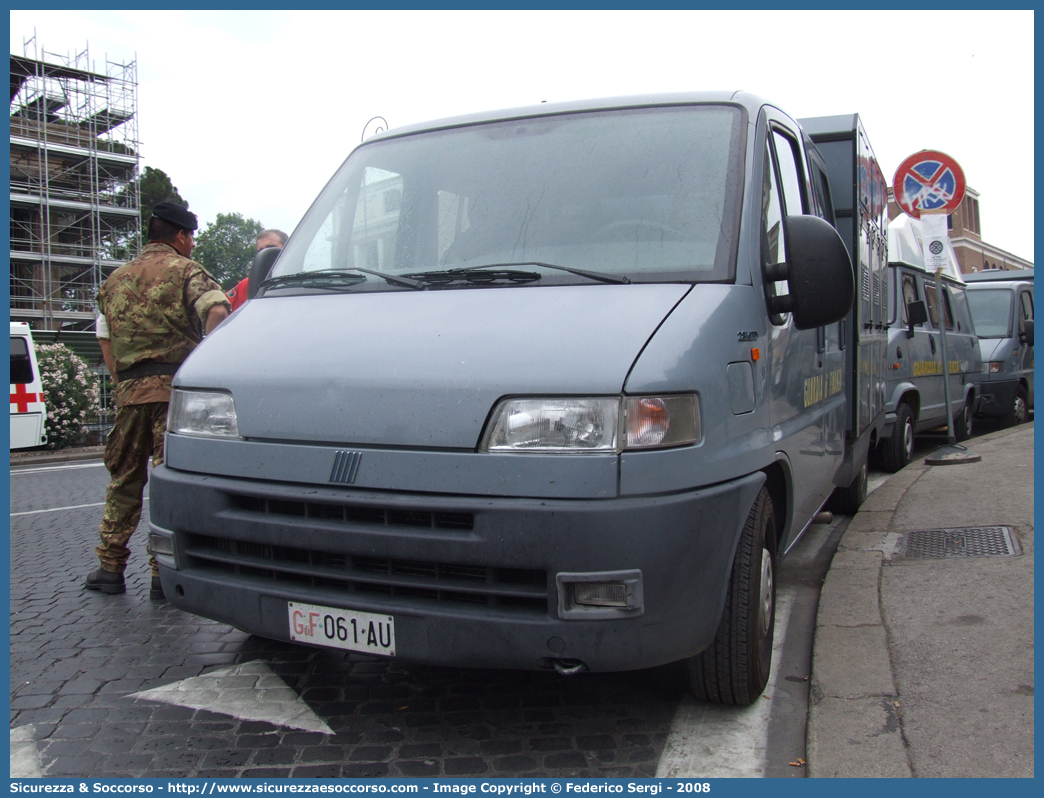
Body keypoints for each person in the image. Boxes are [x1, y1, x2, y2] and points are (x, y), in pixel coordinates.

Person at [86, 201, 231, 600]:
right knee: (169, 483)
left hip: (131, 393)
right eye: (192, 238)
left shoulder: (114, 280)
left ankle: (110, 568)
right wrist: (205, 360)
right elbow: (217, 309)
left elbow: (105, 339)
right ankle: (160, 573)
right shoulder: (187, 271)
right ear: (181, 236)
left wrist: (122, 382)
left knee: (124, 481)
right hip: (173, 395)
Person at [225, 228, 288, 311]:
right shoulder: (248, 285)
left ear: (287, 249)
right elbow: (222, 306)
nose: (266, 253)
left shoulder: (302, 281)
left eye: (271, 248)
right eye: (261, 251)